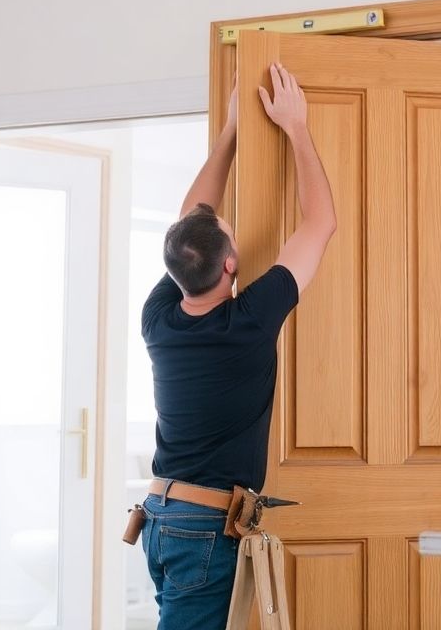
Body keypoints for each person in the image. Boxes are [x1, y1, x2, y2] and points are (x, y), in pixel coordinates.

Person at [138, 63, 336, 629]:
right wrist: (296, 128)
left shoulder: (162, 315)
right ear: (230, 264)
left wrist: (229, 132)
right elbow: (319, 223)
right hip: (197, 527)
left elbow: (191, 221)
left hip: (164, 516)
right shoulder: (243, 323)